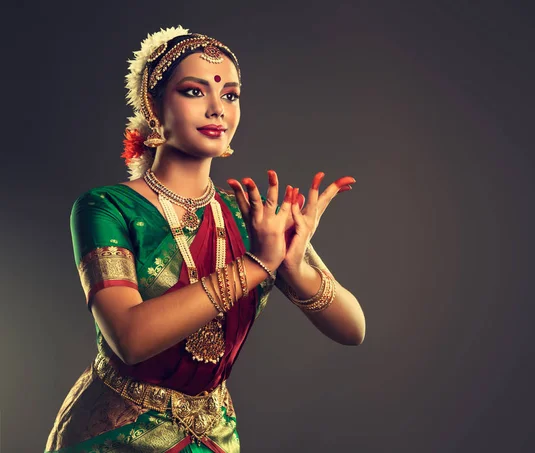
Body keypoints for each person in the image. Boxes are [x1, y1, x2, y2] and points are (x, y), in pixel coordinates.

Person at [44, 26, 365, 453]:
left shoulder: (248, 215)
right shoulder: (105, 208)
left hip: (214, 439)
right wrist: (256, 266)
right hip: (115, 437)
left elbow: (353, 330)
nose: (218, 109)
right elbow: (130, 338)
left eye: (230, 95)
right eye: (195, 92)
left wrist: (293, 266)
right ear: (154, 105)